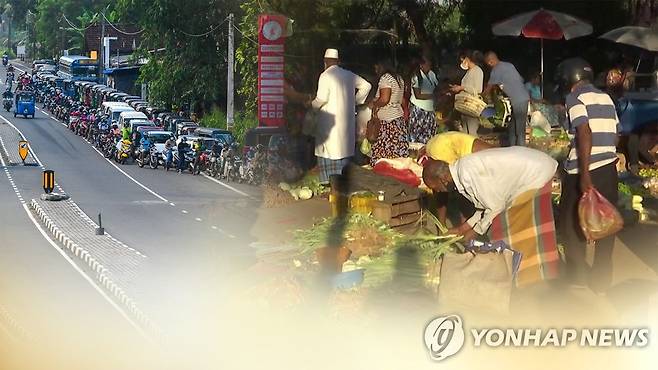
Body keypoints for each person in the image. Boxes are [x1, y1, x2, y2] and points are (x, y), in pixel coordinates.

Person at [423, 146, 560, 287]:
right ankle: (527, 276)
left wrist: (475, 232)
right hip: (533, 171)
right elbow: (485, 207)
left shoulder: (467, 174)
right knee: (511, 230)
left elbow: (495, 207)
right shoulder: (461, 173)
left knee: (508, 229)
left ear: (443, 179)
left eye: (435, 187)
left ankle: (528, 279)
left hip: (534, 174)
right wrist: (461, 229)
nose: (436, 191)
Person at [555, 58, 620, 294]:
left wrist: (584, 174)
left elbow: (584, 131)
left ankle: (578, 279)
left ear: (569, 79)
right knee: (606, 224)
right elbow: (614, 135)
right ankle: (601, 282)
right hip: (608, 169)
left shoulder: (575, 97)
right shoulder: (606, 98)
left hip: (582, 171)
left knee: (570, 224)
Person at [306, 48, 372, 184]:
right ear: (338, 61)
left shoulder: (325, 75)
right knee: (343, 153)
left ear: (325, 62)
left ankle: (328, 183)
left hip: (329, 123)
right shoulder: (348, 75)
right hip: (346, 123)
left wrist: (311, 105)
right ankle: (342, 184)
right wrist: (356, 101)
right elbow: (367, 85)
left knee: (328, 153)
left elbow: (321, 99)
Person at [422, 131, 494, 224]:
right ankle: (443, 227)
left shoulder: (481, 158)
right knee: (450, 191)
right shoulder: (446, 154)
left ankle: (454, 227)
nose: (437, 190)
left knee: (462, 193)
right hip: (439, 146)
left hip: (438, 145)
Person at [368, 58, 409, 165]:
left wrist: (374, 104)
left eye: (376, 66)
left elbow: (384, 99)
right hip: (397, 120)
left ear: (382, 65)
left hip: (387, 123)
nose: (375, 69)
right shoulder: (399, 79)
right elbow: (402, 100)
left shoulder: (385, 78)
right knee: (396, 155)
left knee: (384, 154)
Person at [483, 52, 530, 146]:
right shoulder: (509, 65)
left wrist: (481, 97)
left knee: (519, 130)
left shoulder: (496, 70)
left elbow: (488, 88)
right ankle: (512, 147)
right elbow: (520, 80)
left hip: (518, 100)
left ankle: (521, 151)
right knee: (512, 127)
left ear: (490, 62)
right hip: (522, 97)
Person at [449, 50, 485, 136]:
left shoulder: (477, 71)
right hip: (465, 105)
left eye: (463, 59)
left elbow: (478, 89)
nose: (462, 62)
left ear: (468, 59)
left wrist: (462, 88)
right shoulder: (469, 71)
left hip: (471, 105)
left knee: (472, 133)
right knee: (465, 133)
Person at [408, 55, 438, 144]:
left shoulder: (431, 74)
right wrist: (433, 96)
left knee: (429, 134)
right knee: (417, 134)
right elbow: (418, 95)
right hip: (419, 109)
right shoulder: (416, 77)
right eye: (427, 65)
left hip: (430, 109)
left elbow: (437, 87)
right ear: (421, 65)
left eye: (430, 65)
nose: (429, 67)